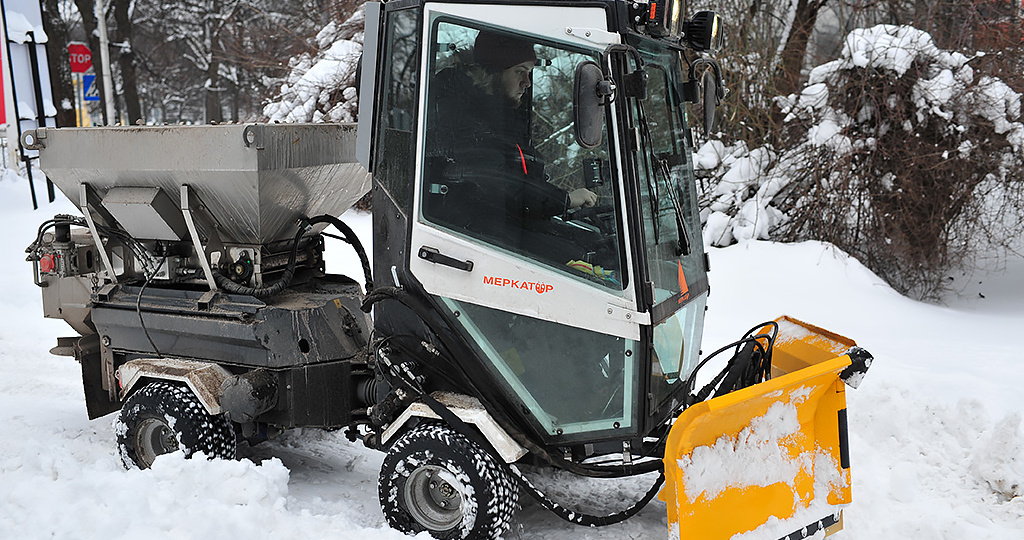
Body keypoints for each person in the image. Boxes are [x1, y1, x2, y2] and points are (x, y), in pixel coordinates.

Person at [424, 31, 599, 242]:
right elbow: (500, 186)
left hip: (503, 224)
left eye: (529, 72)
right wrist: (565, 200)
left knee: (593, 245)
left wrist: (559, 201)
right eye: (520, 71)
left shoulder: (499, 114)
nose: (527, 82)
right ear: (495, 71)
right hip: (474, 233)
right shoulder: (464, 115)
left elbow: (520, 175)